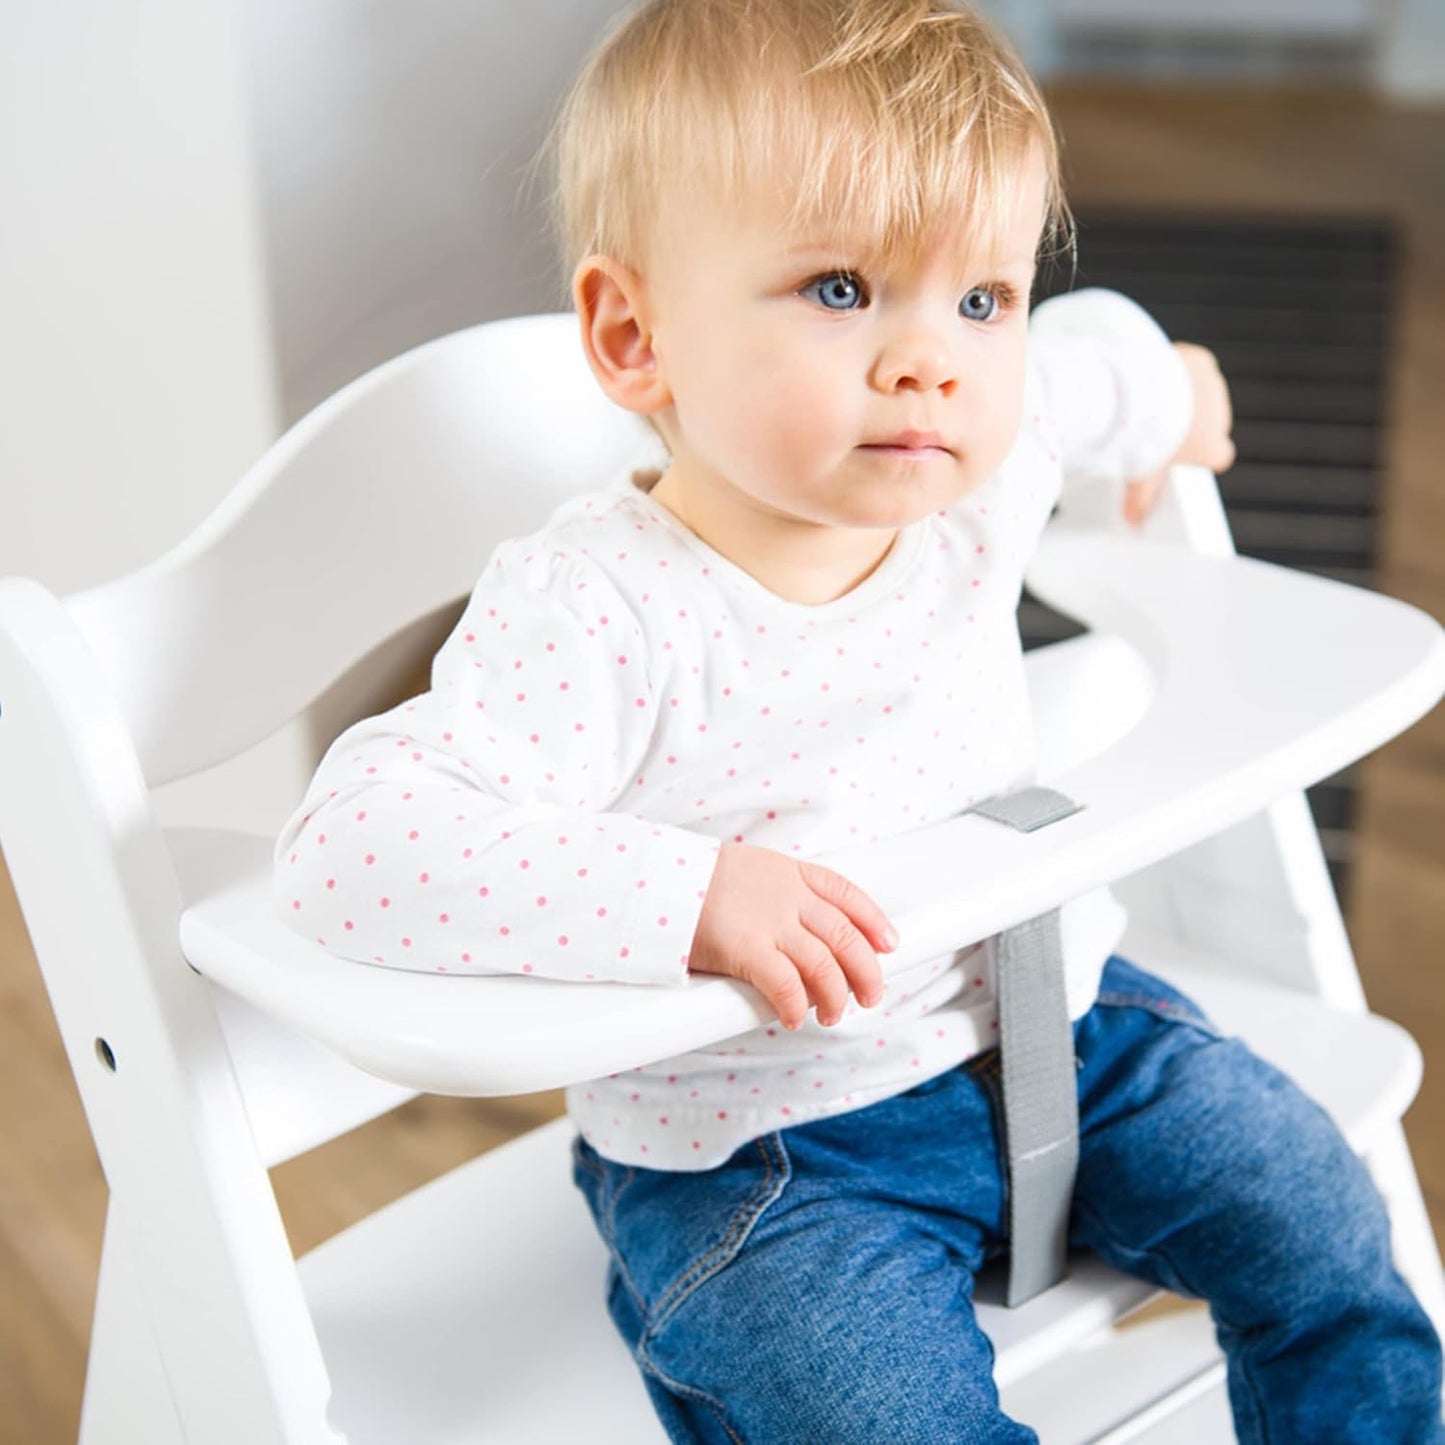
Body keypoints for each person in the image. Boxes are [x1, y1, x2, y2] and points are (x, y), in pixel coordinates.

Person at [274, 1, 1444, 1438]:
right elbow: (353, 844)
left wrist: (1175, 395)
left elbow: (1087, 362)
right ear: (634, 334)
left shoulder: (974, 477)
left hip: (1065, 1027)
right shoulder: (597, 607)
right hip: (761, 1144)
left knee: (1323, 1223)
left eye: (976, 298)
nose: (929, 361)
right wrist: (690, 893)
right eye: (840, 290)